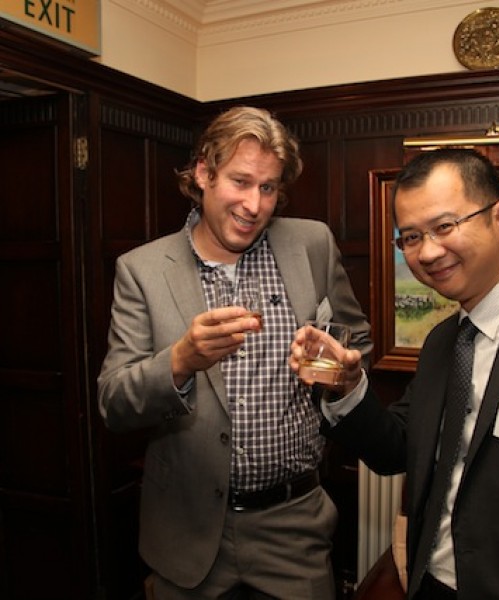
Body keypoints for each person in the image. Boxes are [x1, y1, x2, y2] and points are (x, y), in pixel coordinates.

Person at [290, 148, 499, 599]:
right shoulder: (443, 342)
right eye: (411, 237)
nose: (429, 252)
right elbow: (397, 449)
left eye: (444, 227)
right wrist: (346, 385)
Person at [97, 106, 372, 600]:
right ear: (204, 173)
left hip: (294, 526)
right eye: (240, 182)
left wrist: (338, 371)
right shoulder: (142, 270)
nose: (254, 204)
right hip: (186, 530)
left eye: (268, 188)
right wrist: (181, 360)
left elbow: (357, 342)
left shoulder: (311, 244)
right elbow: (114, 403)